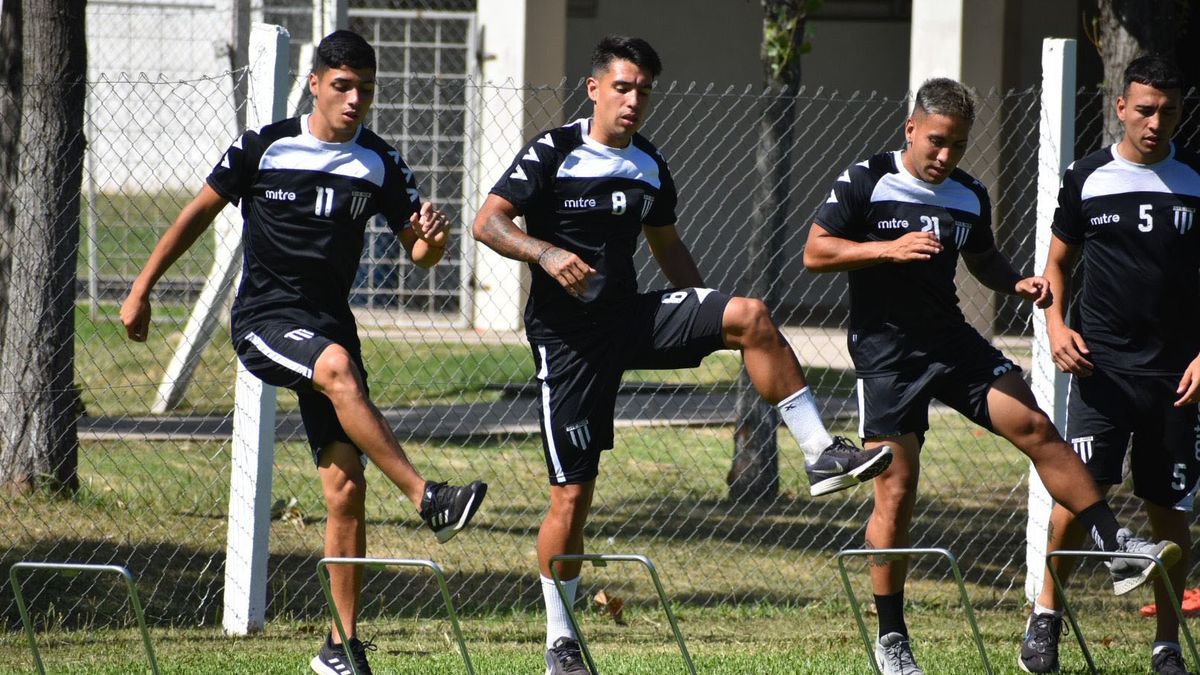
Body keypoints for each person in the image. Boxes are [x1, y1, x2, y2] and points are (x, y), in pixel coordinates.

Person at [471, 34, 893, 675]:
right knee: (572, 499)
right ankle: (561, 640)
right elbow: (489, 222)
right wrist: (545, 253)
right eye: (622, 86)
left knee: (748, 315)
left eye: (643, 90)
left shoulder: (648, 164)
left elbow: (666, 244)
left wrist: (701, 306)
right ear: (594, 88)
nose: (634, 100)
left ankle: (819, 453)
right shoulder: (553, 151)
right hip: (570, 343)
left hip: (632, 318)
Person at [119, 30, 487, 675]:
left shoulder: (379, 162)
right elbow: (196, 214)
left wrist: (435, 239)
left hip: (330, 325)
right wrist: (141, 288)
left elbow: (421, 255)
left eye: (365, 90)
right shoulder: (264, 147)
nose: (354, 100)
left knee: (345, 488)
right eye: (342, 86)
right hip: (265, 320)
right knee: (338, 370)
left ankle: (339, 649)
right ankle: (429, 498)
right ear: (315, 83)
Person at [803, 76, 1181, 675]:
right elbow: (816, 251)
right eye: (935, 142)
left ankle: (1116, 546)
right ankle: (893, 637)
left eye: (956, 145)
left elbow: (981, 259)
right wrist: (886, 249)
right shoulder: (866, 179)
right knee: (896, 495)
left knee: (1034, 424)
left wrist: (1016, 283)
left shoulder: (968, 194)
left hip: (954, 345)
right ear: (910, 129)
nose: (944, 156)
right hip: (888, 355)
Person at [1020, 55, 1200, 675]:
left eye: (1169, 112)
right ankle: (1045, 618)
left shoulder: (1196, 180)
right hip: (1101, 369)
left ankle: (1167, 646)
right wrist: (1056, 325)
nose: (1156, 122)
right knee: (1079, 495)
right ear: (1121, 107)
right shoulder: (1087, 175)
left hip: (1178, 377)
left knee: (1169, 512)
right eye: (1145, 109)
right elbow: (1057, 265)